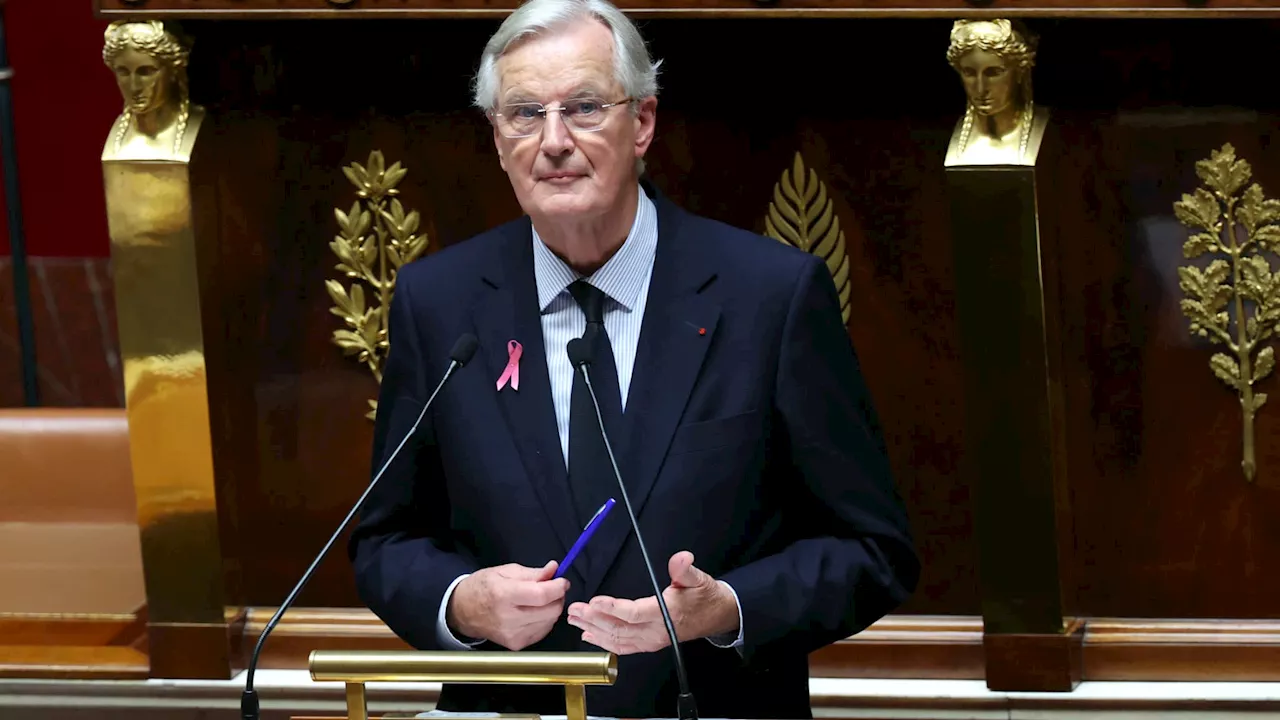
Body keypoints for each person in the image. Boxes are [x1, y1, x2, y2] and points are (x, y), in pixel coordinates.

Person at [348, 0, 919, 716]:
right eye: (524, 114)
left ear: (642, 123)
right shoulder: (439, 302)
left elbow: (874, 550)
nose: (553, 141)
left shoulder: (769, 296)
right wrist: (461, 603)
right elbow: (386, 541)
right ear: (497, 140)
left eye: (583, 107)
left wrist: (725, 608)